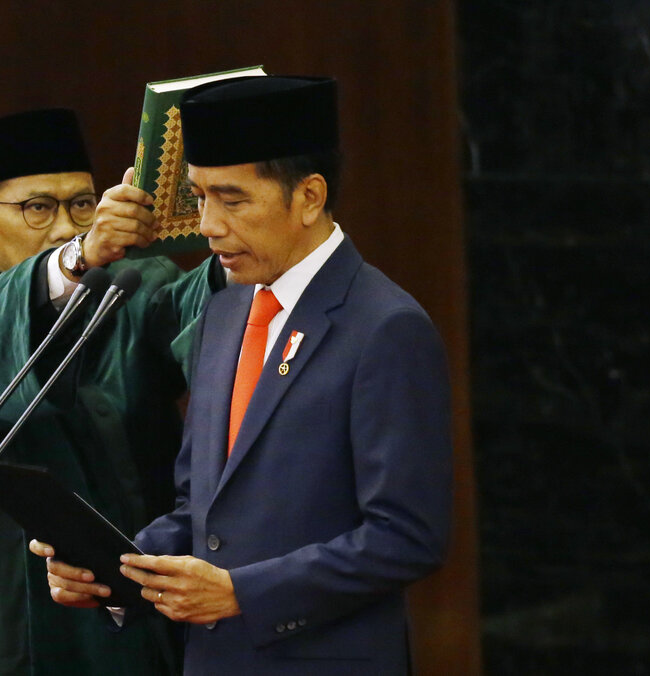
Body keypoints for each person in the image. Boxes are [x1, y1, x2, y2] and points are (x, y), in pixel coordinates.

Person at [32, 76, 454, 675]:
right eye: (200, 197)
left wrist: (242, 595)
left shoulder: (384, 327)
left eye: (232, 200)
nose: (208, 225)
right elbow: (198, 509)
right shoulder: (225, 306)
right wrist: (114, 571)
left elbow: (408, 535)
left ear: (308, 196)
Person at [0, 108, 213, 675]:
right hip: (1, 626)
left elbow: (217, 331)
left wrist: (242, 237)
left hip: (128, 618)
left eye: (82, 205)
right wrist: (79, 259)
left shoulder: (136, 288)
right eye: (38, 207)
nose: (66, 227)